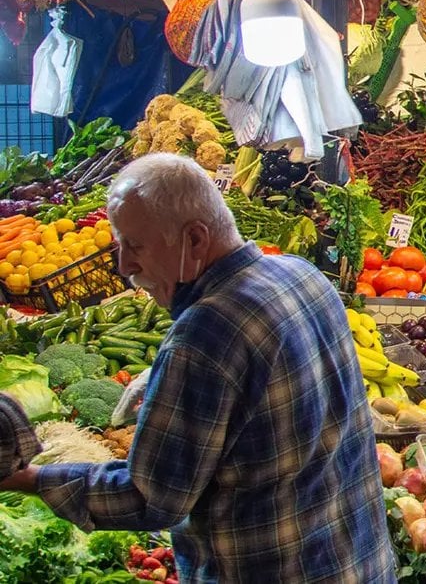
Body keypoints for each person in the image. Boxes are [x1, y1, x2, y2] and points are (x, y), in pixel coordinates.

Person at [0, 154, 395, 583]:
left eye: (135, 245)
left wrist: (29, 477)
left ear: (194, 239)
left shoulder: (206, 334)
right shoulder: (301, 274)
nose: (124, 266)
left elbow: (150, 499)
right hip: (360, 564)